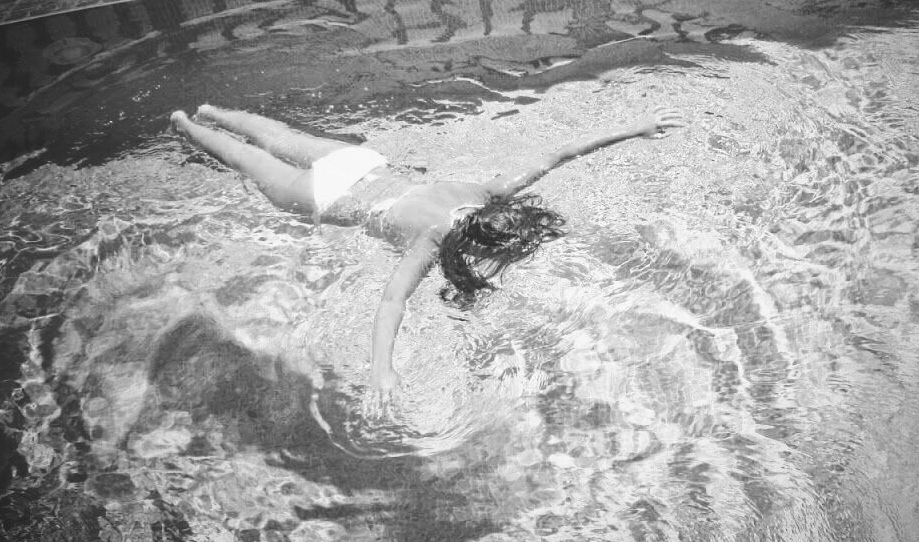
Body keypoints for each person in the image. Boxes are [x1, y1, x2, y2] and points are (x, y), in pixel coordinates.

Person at [170, 103, 685, 407]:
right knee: (246, 159)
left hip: (359, 164)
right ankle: (187, 126)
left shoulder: (483, 192)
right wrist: (380, 369)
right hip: (324, 197)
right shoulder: (435, 240)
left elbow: (557, 154)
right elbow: (391, 301)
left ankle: (209, 113)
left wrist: (632, 128)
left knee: (275, 137)